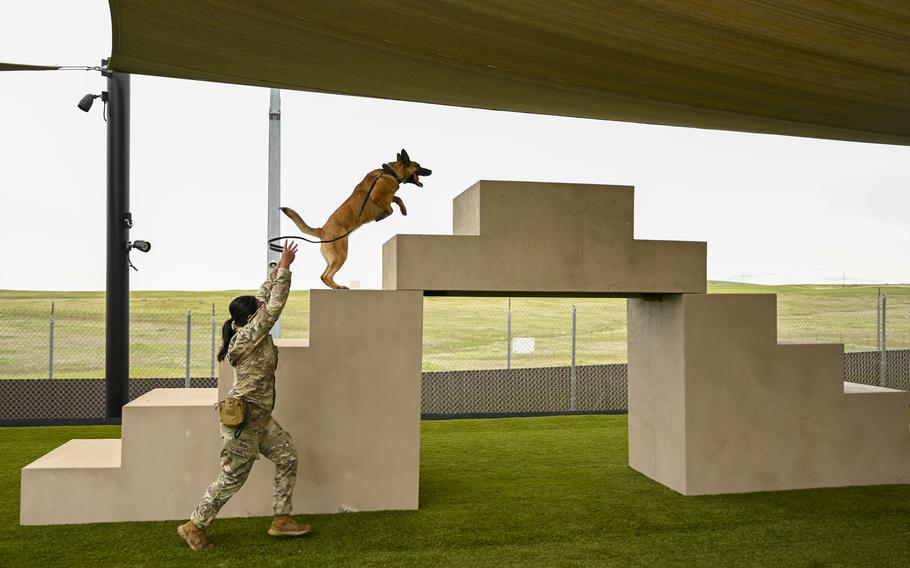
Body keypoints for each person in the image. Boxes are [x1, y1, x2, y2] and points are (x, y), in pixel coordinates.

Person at [178, 241, 310, 551]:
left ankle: (281, 519)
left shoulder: (249, 325)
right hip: (244, 419)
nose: (262, 308)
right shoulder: (249, 335)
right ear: (252, 318)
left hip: (260, 417)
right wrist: (287, 269)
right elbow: (273, 307)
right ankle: (194, 526)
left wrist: (277, 268)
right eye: (258, 310)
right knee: (232, 478)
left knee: (286, 455)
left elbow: (263, 298)